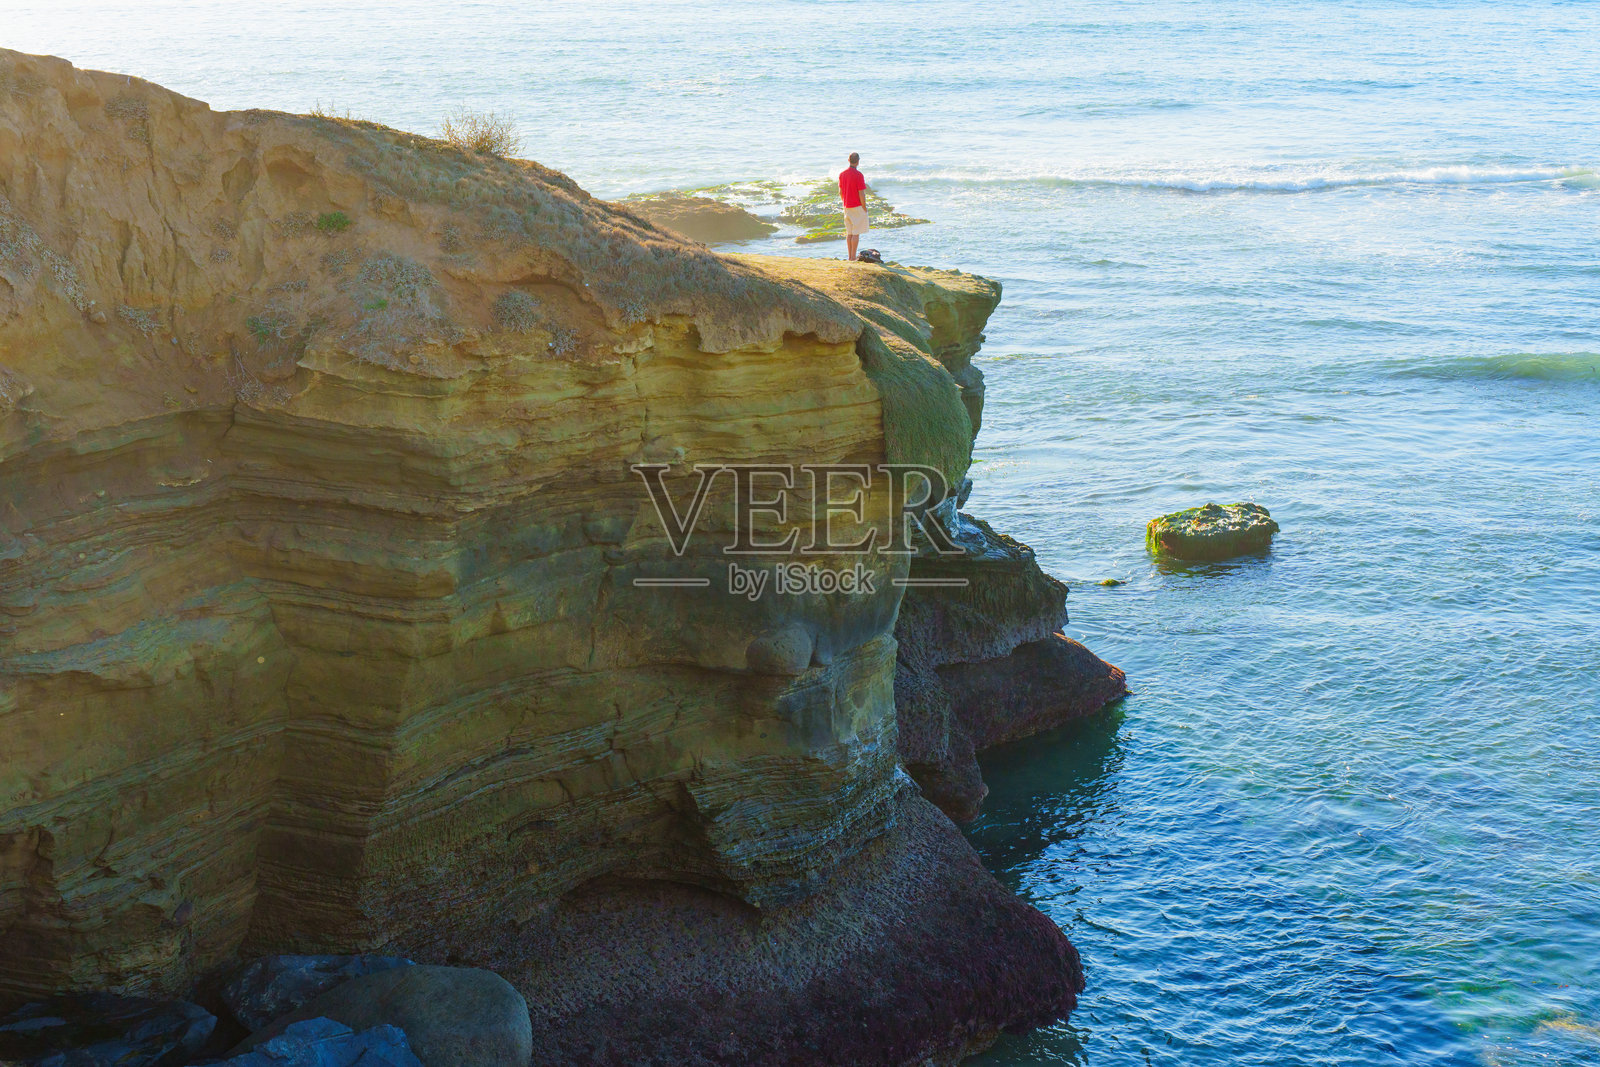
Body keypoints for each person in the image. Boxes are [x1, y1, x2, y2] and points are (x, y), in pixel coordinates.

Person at [838, 152, 869, 261]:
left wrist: (844, 202)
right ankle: (853, 257)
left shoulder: (842, 174)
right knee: (856, 233)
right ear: (858, 161)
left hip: (847, 206)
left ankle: (850, 257)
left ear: (848, 160)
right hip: (856, 206)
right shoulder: (858, 175)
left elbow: (840, 192)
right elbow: (861, 193)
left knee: (849, 233)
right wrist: (864, 207)